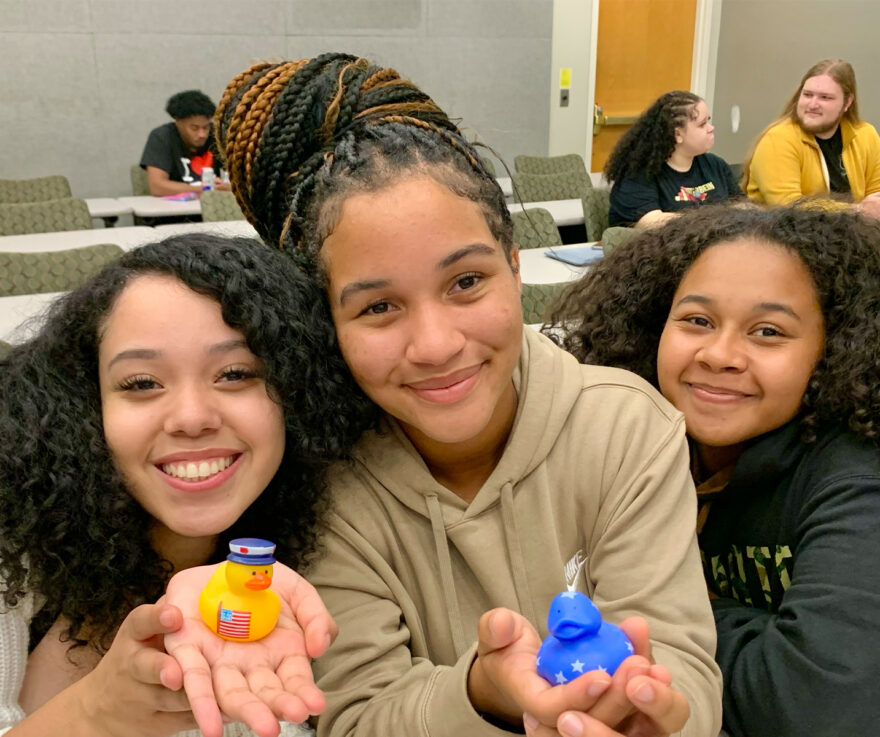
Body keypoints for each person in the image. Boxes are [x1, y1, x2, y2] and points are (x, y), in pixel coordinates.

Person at [215, 54, 723, 737]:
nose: (435, 343)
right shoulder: (319, 483)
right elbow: (356, 713)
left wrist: (650, 710)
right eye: (377, 308)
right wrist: (483, 692)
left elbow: (683, 660)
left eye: (465, 283)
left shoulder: (627, 428)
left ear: (514, 266)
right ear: (326, 319)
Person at [0, 234, 375, 737]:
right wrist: (100, 710)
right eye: (141, 383)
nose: (192, 418)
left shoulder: (334, 558)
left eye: (236, 373)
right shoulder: (12, 554)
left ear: (298, 392)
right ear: (87, 404)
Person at [550, 205, 880, 737]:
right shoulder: (614, 448)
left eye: (768, 332)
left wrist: (666, 610)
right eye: (697, 321)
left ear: (832, 350)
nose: (720, 354)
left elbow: (822, 705)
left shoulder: (856, 481)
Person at [743, 59, 880, 218]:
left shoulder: (866, 134)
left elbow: (875, 198)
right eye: (807, 95)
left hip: (854, 235)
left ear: (847, 102)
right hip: (785, 236)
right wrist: (857, 210)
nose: (813, 105)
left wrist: (868, 211)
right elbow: (789, 207)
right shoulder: (778, 139)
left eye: (825, 97)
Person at [605, 90, 740, 228]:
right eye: (702, 124)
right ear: (677, 134)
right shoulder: (638, 174)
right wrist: (713, 218)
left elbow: (740, 205)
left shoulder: (715, 164)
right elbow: (651, 222)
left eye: (709, 121)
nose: (711, 128)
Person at [139, 90, 231, 196]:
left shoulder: (217, 136)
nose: (202, 134)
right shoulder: (162, 137)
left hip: (214, 208)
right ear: (178, 122)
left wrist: (229, 187)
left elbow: (242, 180)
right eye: (194, 128)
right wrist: (204, 188)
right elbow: (157, 187)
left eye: (206, 127)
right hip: (173, 209)